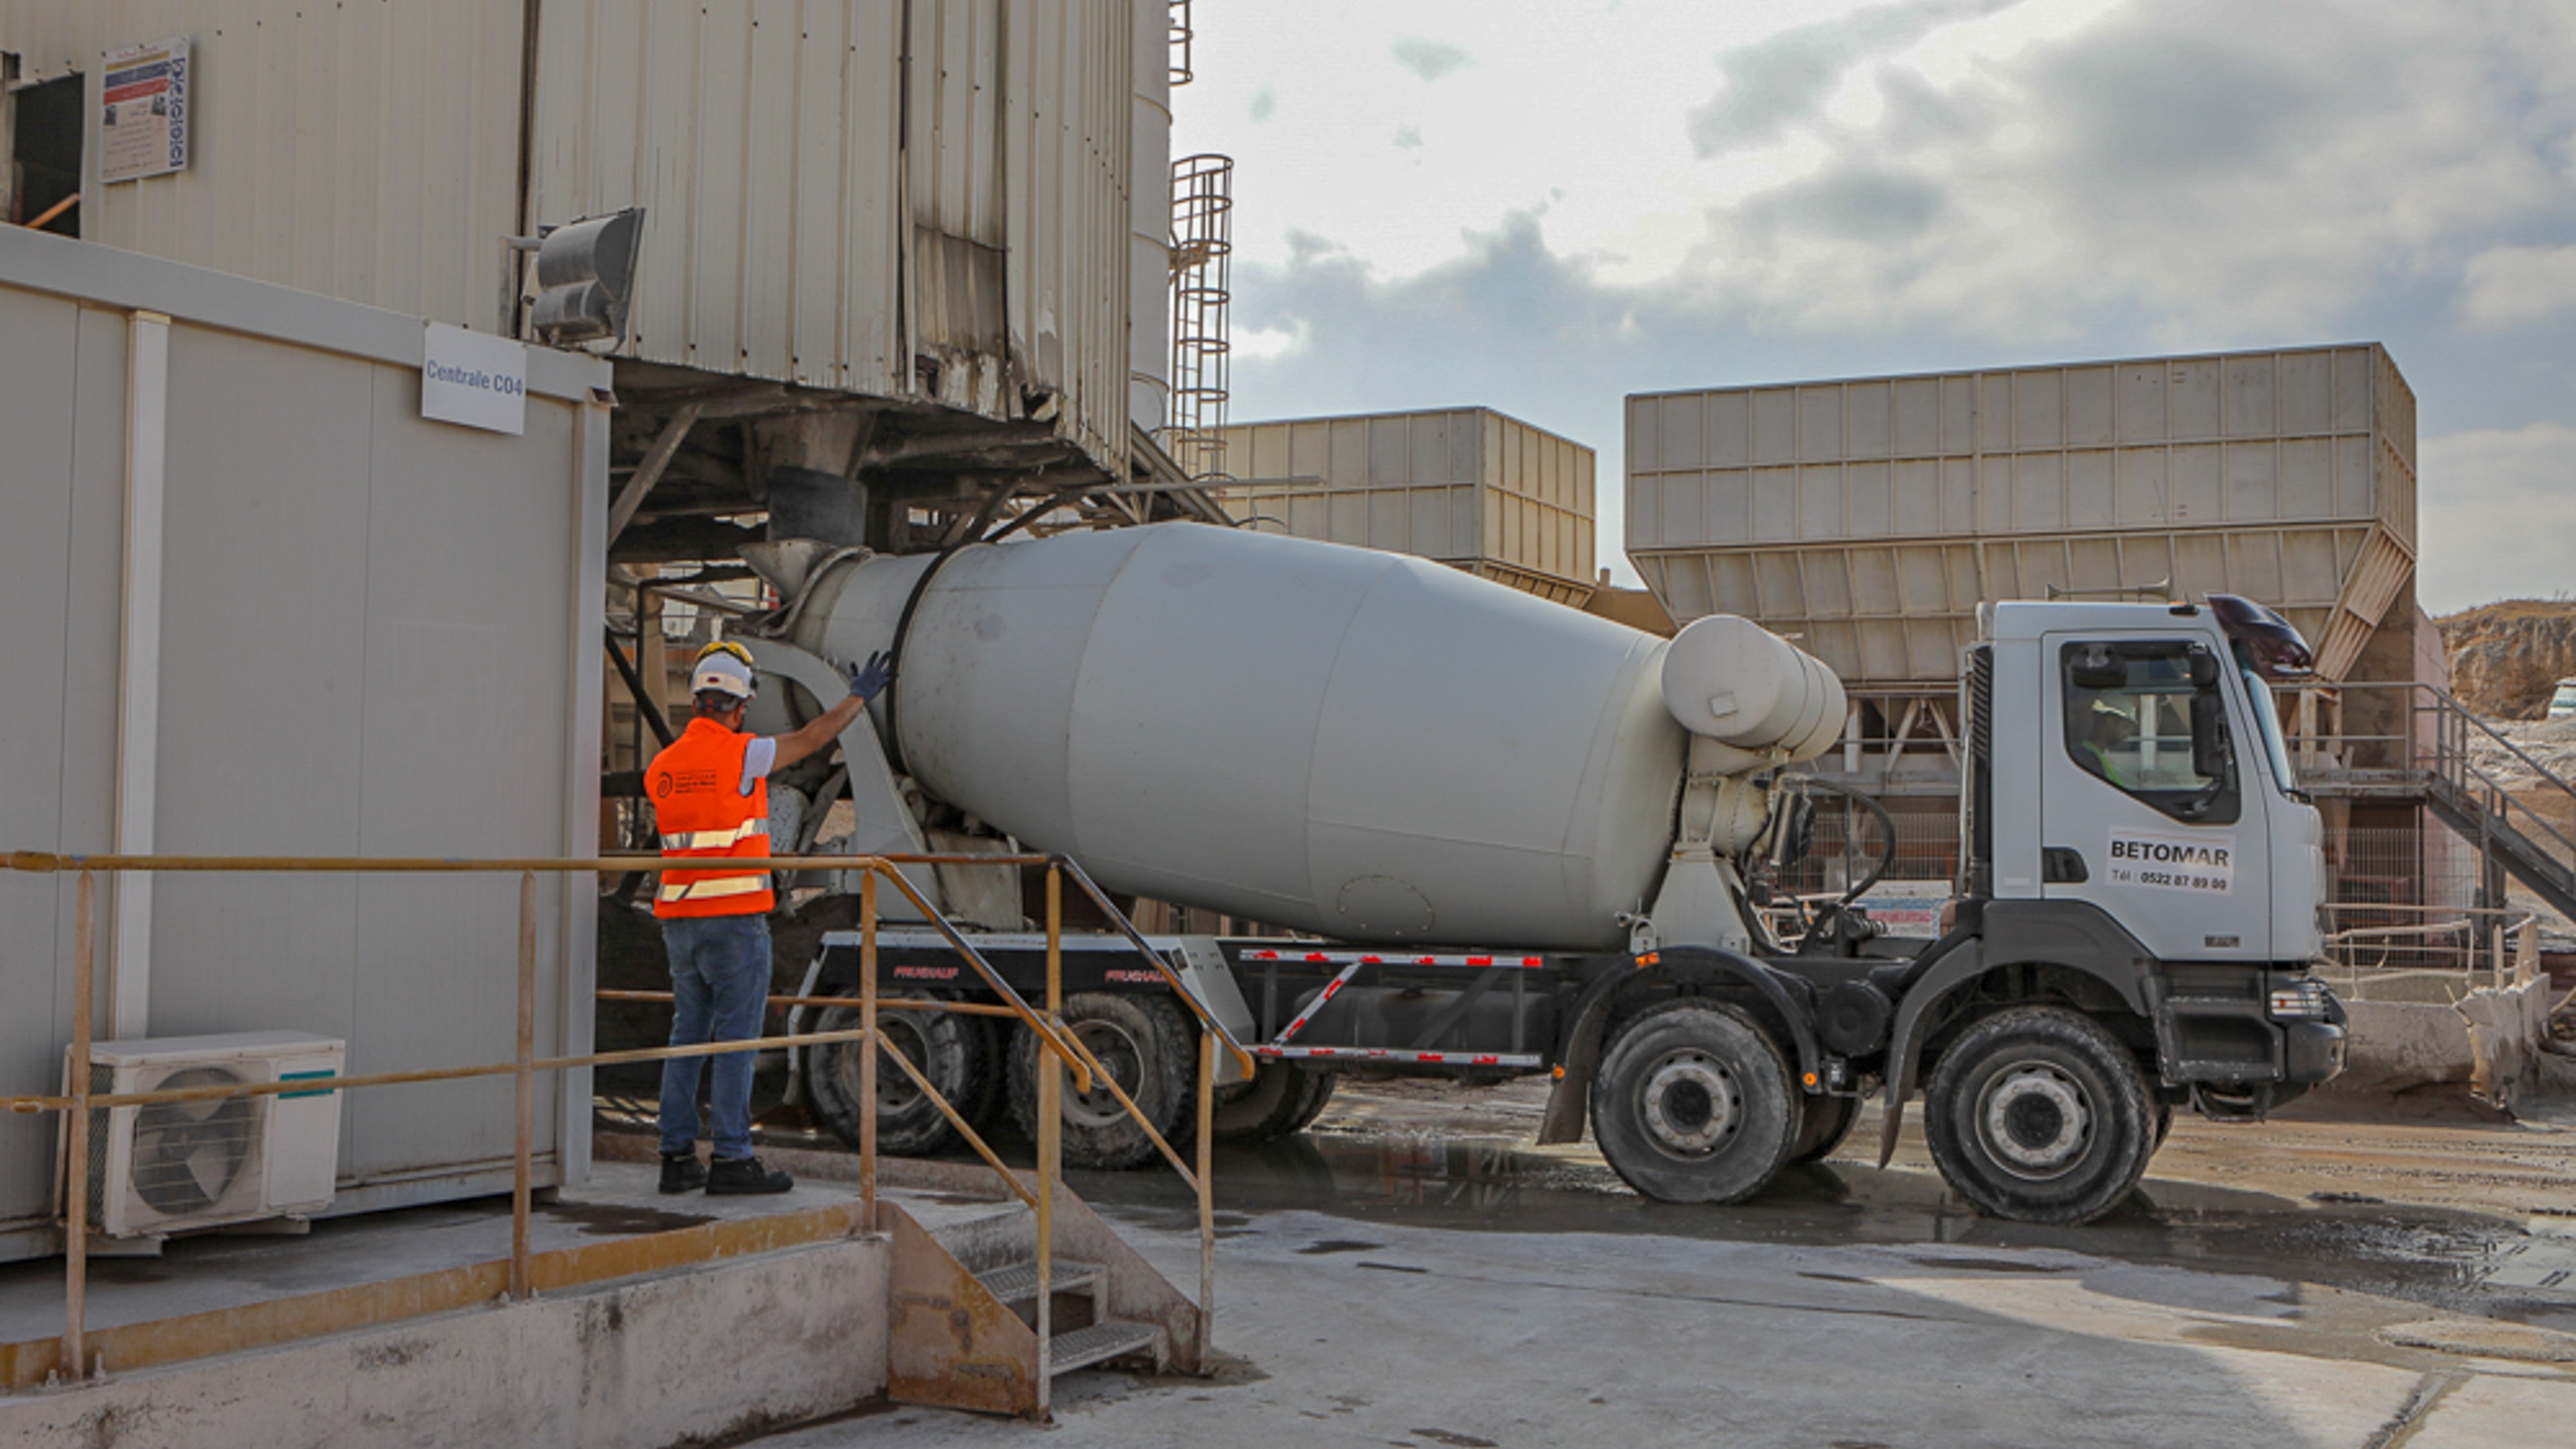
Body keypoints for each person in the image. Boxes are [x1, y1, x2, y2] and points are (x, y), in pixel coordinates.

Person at [648, 639, 892, 1194]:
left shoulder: (662, 768)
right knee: (736, 1040)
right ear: (739, 708)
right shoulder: (743, 754)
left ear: (695, 703)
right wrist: (856, 699)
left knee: (688, 1036)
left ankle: (676, 1156)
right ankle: (732, 1159)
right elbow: (812, 739)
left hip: (680, 924)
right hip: (733, 922)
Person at [2070, 699, 2134, 788]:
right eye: (2125, 727)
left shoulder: (2095, 755)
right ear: (2110, 721)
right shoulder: (2087, 759)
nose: (2127, 735)